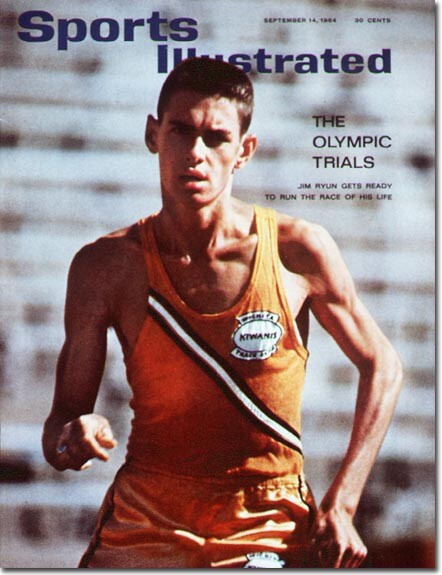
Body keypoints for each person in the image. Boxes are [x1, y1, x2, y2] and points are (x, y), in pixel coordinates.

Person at [42, 57, 402, 569]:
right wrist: (73, 436)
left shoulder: (296, 251)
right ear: (153, 134)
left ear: (244, 151)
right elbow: (59, 427)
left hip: (266, 518)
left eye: (215, 138)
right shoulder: (105, 266)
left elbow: (383, 365)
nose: (195, 153)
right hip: (148, 516)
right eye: (181, 131)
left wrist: (343, 503)